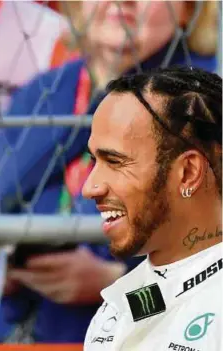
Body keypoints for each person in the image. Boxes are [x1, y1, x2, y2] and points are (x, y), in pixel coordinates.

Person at [0, 0, 218, 343]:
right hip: (14, 331)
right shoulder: (42, 93)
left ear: (189, 10)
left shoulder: (206, 103)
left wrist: (113, 283)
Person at [82, 65, 222, 350]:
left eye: (115, 162)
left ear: (187, 172)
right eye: (94, 161)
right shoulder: (115, 309)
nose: (90, 187)